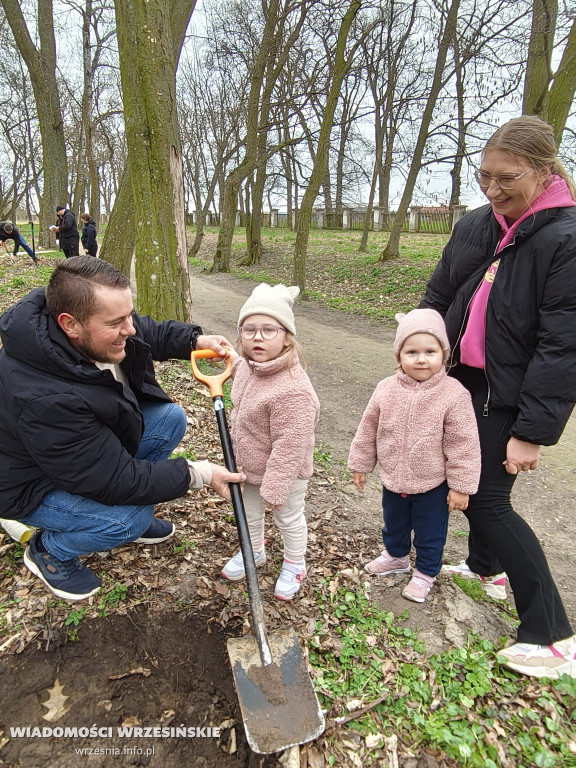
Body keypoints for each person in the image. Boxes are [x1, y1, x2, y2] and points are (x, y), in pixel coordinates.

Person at [420, 115, 576, 678]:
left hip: (509, 391)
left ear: (542, 171)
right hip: (462, 376)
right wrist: (420, 351)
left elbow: (563, 346)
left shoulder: (565, 238)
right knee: (457, 472)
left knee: (486, 497)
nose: (492, 189)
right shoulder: (477, 224)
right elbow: (439, 293)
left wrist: (532, 431)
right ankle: (484, 566)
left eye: (506, 178)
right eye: (483, 176)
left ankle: (552, 634)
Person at [0, 256, 245, 602]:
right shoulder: (47, 399)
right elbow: (114, 480)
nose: (129, 328)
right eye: (116, 322)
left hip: (72, 459)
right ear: (70, 324)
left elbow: (142, 330)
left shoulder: (82, 325)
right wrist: (199, 474)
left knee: (169, 419)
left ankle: (99, 515)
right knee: (129, 518)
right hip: (29, 485)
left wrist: (194, 340)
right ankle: (49, 549)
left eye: (127, 314)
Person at [348, 309, 480, 603]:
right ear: (399, 356)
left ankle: (425, 573)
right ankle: (396, 557)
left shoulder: (453, 394)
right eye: (412, 352)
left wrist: (460, 485)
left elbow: (464, 443)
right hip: (393, 478)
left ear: (444, 354)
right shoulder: (386, 389)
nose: (421, 359)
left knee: (429, 532)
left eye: (430, 351)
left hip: (433, 483)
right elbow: (368, 428)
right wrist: (360, 463)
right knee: (393, 523)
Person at [220, 283, 320, 600]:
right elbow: (244, 373)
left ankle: (294, 564)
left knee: (288, 518)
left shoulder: (293, 390)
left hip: (285, 473)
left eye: (268, 330)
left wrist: (276, 485)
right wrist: (230, 358)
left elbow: (290, 446)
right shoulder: (253, 366)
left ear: (287, 336)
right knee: (248, 514)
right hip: (248, 464)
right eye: (249, 330)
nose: (258, 337)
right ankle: (254, 552)